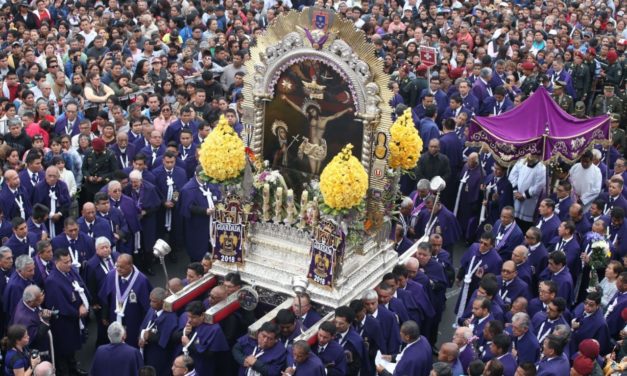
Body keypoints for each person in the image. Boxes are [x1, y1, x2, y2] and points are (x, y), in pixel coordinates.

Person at [43, 248, 89, 375]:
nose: (69, 264)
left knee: (71, 349)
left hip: (72, 318)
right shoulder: (52, 281)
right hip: (63, 323)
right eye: (65, 262)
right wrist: (78, 312)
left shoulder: (68, 272)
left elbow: (77, 288)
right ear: (57, 262)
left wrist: (80, 305)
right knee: (64, 351)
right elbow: (59, 306)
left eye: (69, 261)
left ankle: (73, 369)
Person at [98, 253, 152, 348]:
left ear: (130, 266)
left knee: (131, 345)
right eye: (117, 266)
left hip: (133, 322)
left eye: (122, 267)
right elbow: (105, 298)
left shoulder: (142, 281)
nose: (118, 269)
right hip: (114, 318)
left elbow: (147, 307)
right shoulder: (111, 275)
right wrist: (104, 315)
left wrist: (143, 329)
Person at [179, 166, 221, 262]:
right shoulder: (187, 189)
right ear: (196, 175)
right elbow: (187, 207)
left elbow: (218, 196)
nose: (205, 179)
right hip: (197, 225)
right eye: (203, 177)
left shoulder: (211, 184)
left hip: (212, 223)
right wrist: (204, 211)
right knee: (198, 249)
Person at [177, 301, 229, 375]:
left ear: (202, 315)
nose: (189, 320)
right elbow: (175, 338)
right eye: (188, 316)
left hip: (202, 367)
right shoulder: (188, 322)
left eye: (193, 317)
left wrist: (189, 344)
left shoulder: (214, 329)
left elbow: (210, 354)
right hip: (185, 364)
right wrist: (186, 332)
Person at [139, 287, 178, 376]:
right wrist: (140, 338)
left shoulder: (170, 316)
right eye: (150, 300)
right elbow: (143, 326)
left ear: (162, 302)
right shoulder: (152, 310)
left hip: (160, 356)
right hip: (147, 352)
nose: (151, 304)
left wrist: (151, 336)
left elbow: (167, 340)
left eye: (154, 301)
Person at [509, 155, 546, 231]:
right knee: (513, 221)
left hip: (529, 202)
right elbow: (513, 175)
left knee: (524, 226)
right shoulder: (521, 162)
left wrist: (524, 195)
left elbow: (539, 185)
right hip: (516, 197)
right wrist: (515, 191)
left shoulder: (541, 168)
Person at [10, 285, 51, 352]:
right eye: (38, 300)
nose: (41, 300)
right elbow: (34, 339)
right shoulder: (25, 319)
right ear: (30, 302)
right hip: (37, 352)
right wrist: (45, 321)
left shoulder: (25, 300)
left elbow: (36, 308)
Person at [3, 255, 36, 322]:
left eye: (33, 269)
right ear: (19, 271)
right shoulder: (16, 287)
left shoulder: (21, 275)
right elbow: (18, 311)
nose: (33, 273)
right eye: (29, 271)